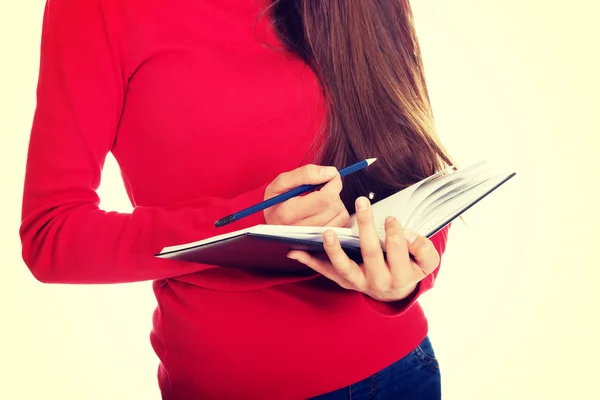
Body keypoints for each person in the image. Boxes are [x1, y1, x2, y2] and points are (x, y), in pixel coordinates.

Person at [19, 0, 454, 399]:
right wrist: (253, 221)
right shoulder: (96, 10)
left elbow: (409, 170)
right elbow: (52, 234)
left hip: (402, 372)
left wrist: (405, 277)